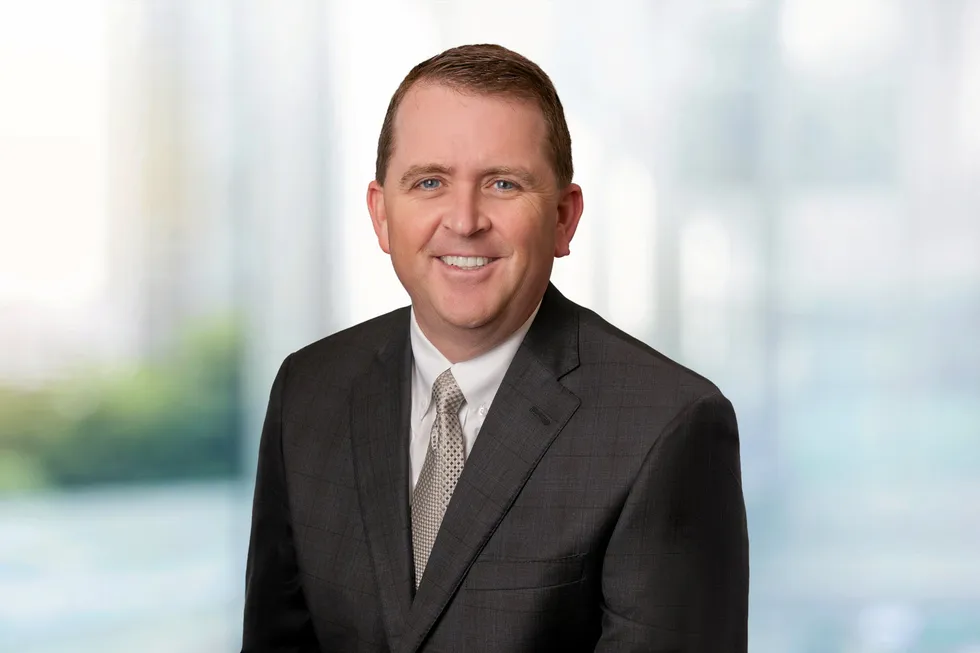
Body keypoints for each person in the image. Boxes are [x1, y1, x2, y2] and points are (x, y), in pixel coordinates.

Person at [241, 43, 748, 653]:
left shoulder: (668, 426)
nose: (464, 220)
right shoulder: (309, 391)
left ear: (563, 218)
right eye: (430, 182)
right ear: (381, 214)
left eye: (503, 184)